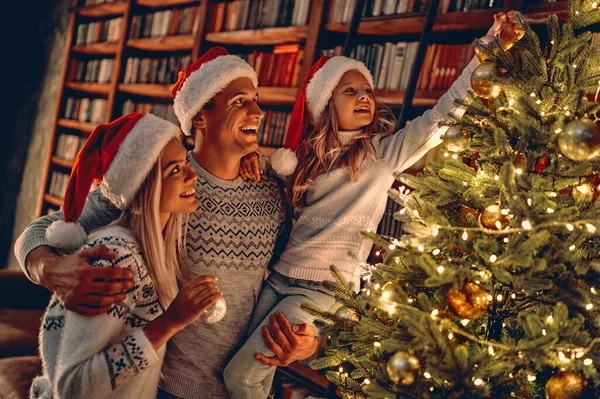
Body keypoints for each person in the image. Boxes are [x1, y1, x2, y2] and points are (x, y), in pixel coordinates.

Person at [225, 12, 524, 398]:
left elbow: (441, 116)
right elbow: (265, 197)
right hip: (278, 279)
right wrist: (247, 158)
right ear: (325, 104)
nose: (364, 96)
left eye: (367, 90)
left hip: (321, 292)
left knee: (241, 377)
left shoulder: (380, 155)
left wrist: (491, 48)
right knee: (256, 377)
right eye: (349, 91)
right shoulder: (305, 160)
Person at [15, 48, 317, 398]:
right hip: (162, 386)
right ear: (200, 116)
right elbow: (38, 232)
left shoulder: (271, 188)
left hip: (245, 388)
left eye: (256, 100)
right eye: (240, 102)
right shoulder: (161, 183)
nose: (258, 113)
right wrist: (52, 269)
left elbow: (297, 278)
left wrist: (309, 342)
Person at [29, 113, 223, 398]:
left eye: (185, 164)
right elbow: (72, 387)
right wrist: (169, 323)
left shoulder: (153, 250)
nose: (192, 175)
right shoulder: (116, 258)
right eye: (174, 170)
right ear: (144, 187)